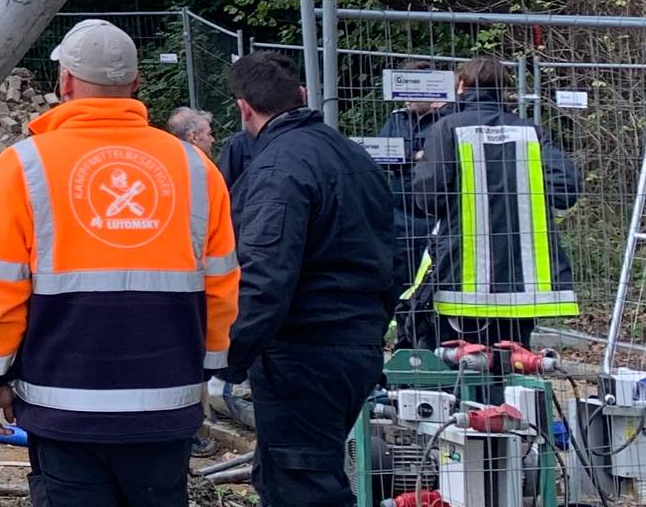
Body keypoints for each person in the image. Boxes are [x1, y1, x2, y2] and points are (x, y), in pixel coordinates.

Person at [0, 20, 239, 507]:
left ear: (66, 81)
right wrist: (208, 372)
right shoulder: (197, 168)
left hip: (62, 405)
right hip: (165, 402)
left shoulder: (22, 166)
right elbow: (221, 286)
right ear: (135, 83)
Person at [221, 52, 401, 507]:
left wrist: (227, 358)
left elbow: (264, 277)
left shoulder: (277, 168)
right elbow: (394, 255)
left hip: (303, 353)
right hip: (355, 346)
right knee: (296, 473)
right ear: (300, 95)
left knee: (301, 484)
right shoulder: (353, 155)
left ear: (244, 108)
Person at [411, 56, 581, 351]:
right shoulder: (530, 132)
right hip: (522, 280)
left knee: (459, 364)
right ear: (504, 90)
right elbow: (566, 188)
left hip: (461, 276)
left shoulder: (447, 128)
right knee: (512, 364)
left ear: (461, 87)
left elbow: (427, 196)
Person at [375, 83, 448, 345]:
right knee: (398, 276)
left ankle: (428, 338)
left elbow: (442, 159)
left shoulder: (445, 120)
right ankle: (399, 336)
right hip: (399, 213)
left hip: (434, 215)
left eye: (411, 93)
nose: (406, 99)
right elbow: (380, 155)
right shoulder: (397, 120)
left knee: (431, 279)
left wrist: (405, 157)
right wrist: (415, 155)